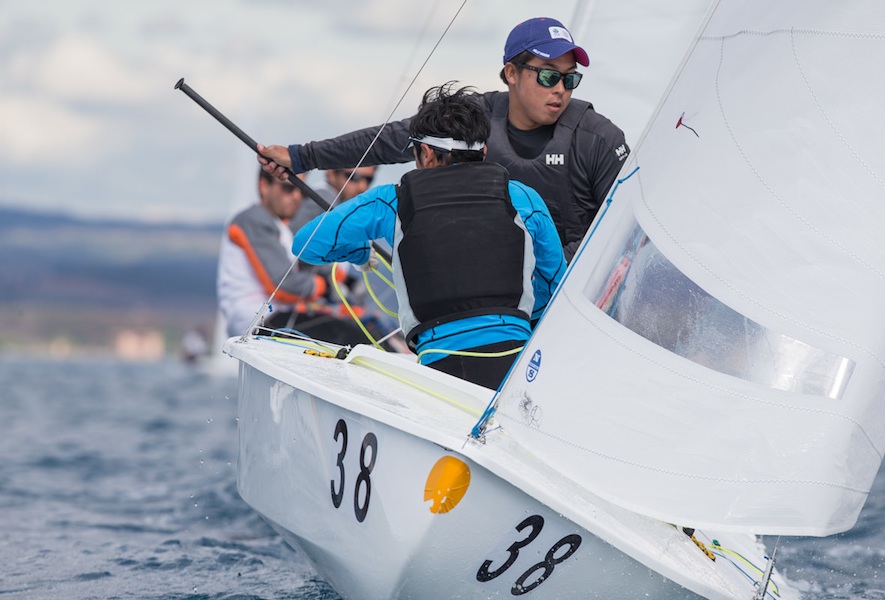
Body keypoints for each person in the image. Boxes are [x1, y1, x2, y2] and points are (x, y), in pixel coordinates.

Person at [259, 17, 629, 262]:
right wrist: (303, 157)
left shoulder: (598, 138)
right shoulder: (472, 119)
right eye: (549, 76)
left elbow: (625, 229)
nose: (561, 89)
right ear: (511, 73)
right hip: (487, 292)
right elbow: (387, 141)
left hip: (564, 301)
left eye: (570, 78)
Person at [292, 83, 566, 390]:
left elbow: (306, 244)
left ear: (425, 153)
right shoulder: (524, 199)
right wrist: (520, 321)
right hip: (515, 362)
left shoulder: (390, 201)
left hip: (440, 368)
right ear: (484, 152)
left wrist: (359, 252)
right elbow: (555, 284)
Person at [216, 167, 372, 345]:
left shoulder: (279, 226)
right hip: (256, 320)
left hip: (280, 317)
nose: (297, 197)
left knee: (360, 330)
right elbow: (283, 285)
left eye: (302, 191)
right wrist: (326, 288)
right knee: (352, 338)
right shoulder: (253, 219)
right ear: (264, 186)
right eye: (288, 188)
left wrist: (346, 283)